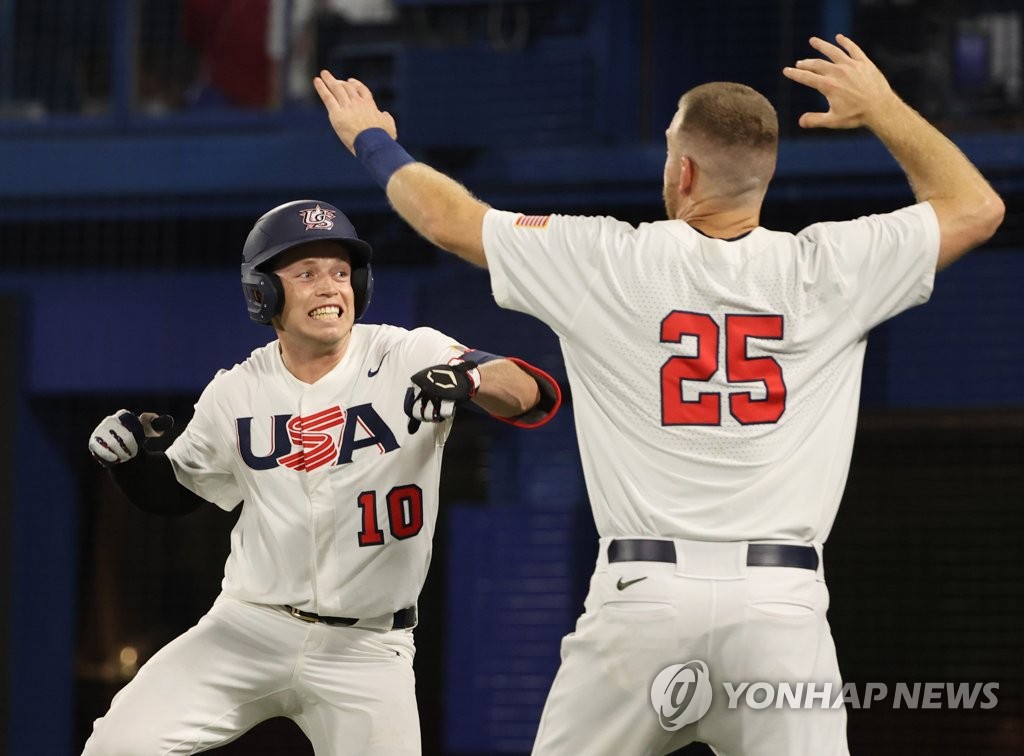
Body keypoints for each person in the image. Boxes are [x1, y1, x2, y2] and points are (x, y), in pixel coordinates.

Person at [312, 33, 1004, 756]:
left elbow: (447, 219)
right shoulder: (834, 267)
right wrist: (886, 107)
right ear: (761, 176)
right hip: (781, 611)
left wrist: (371, 138)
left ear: (685, 170)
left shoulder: (609, 259)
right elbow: (976, 207)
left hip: (643, 601)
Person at [82, 198, 561, 755]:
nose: (330, 286)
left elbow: (533, 393)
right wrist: (127, 463)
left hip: (368, 647)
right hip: (249, 626)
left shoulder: (407, 352)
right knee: (117, 745)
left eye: (340, 272)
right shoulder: (237, 389)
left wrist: (474, 382)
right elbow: (174, 494)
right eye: (305, 273)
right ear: (263, 293)